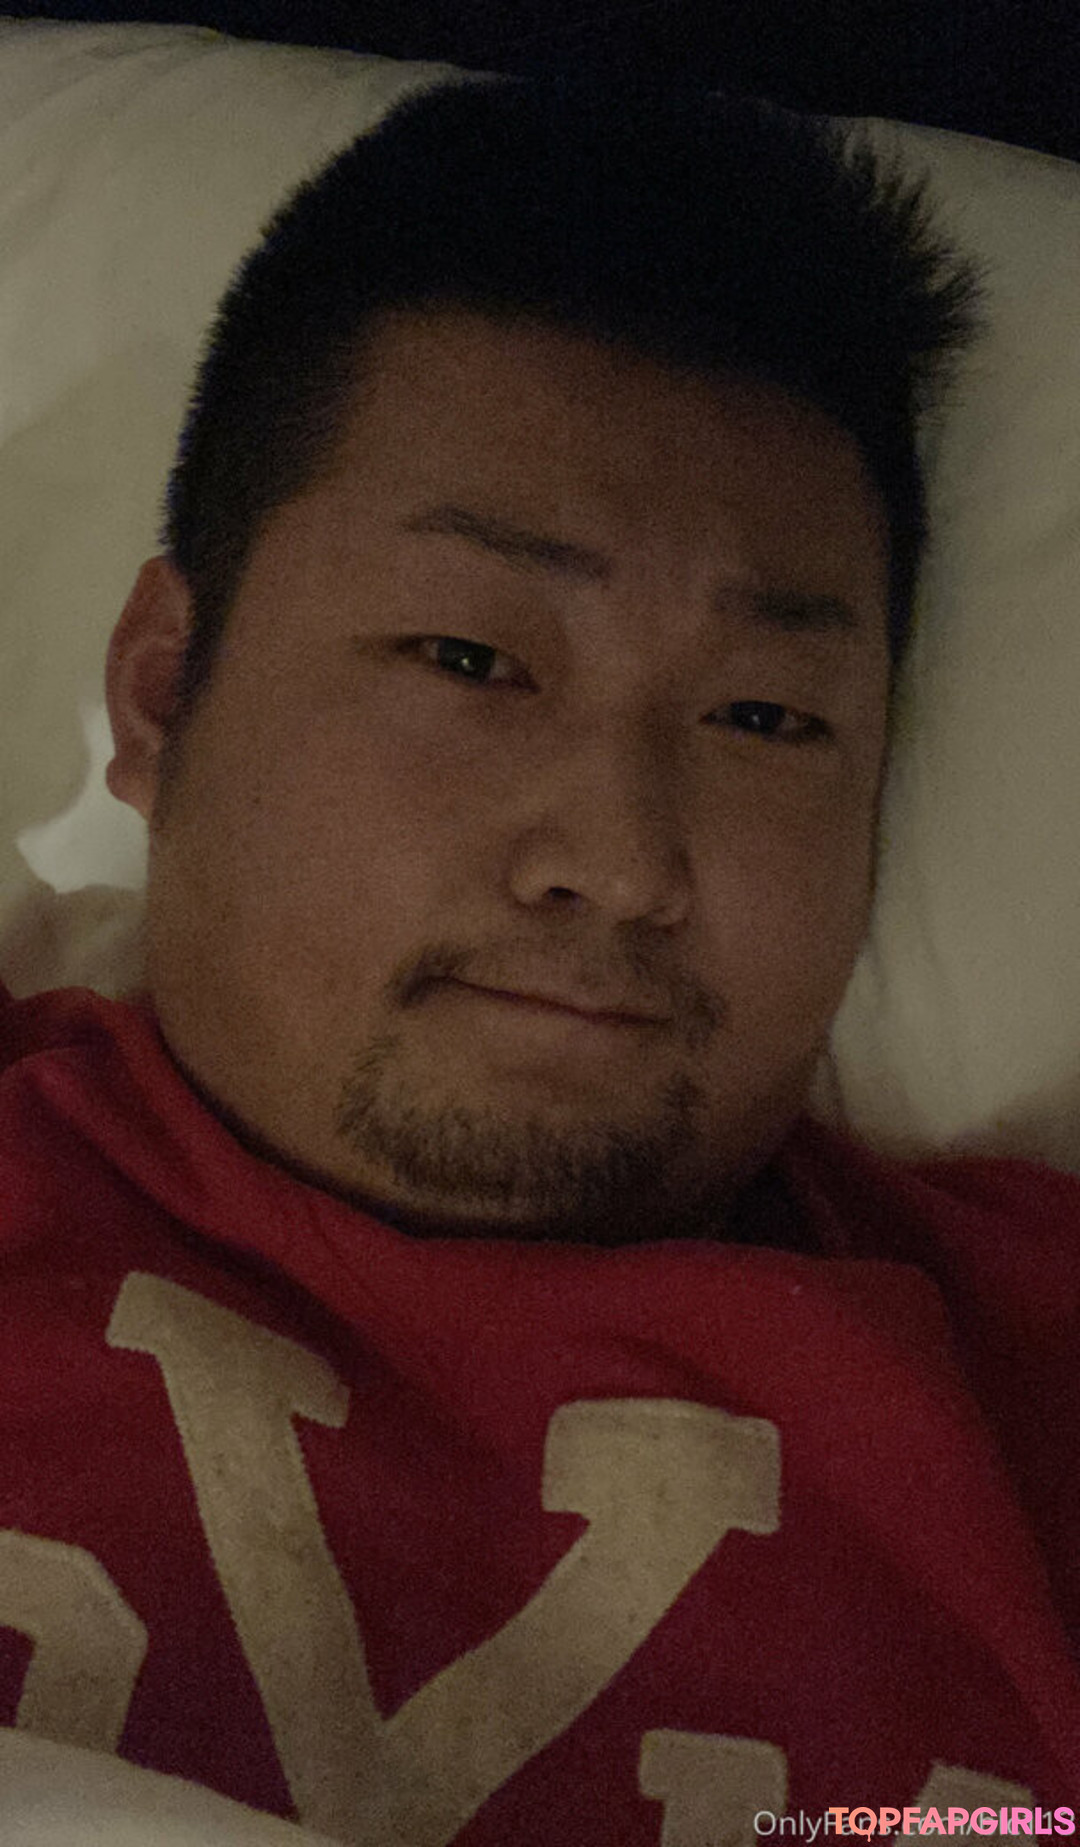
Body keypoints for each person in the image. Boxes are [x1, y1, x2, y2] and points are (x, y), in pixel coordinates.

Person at [1, 68, 1077, 1845]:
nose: (623, 865)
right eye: (472, 660)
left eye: (764, 718)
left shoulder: (1034, 1399)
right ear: (162, 689)